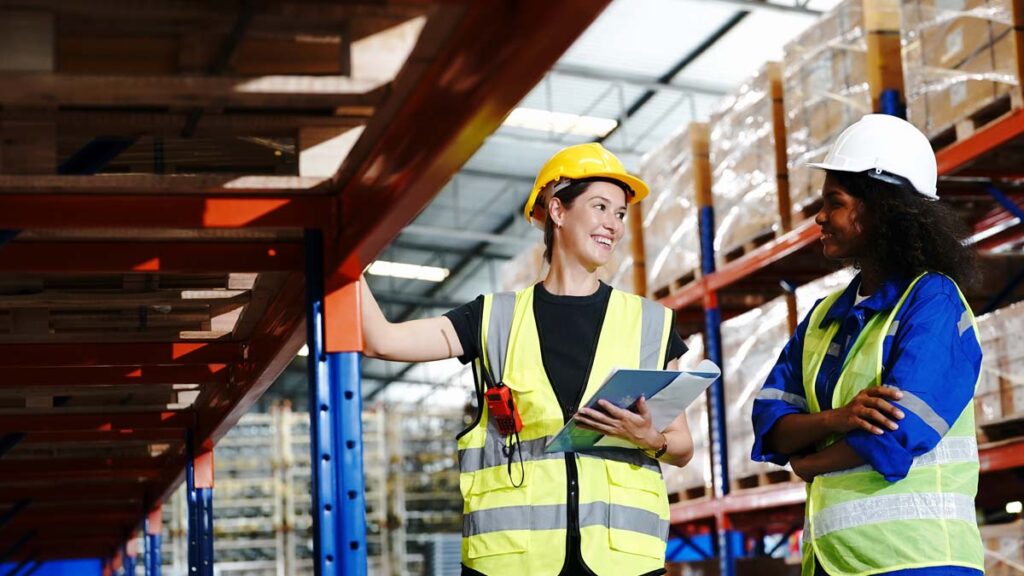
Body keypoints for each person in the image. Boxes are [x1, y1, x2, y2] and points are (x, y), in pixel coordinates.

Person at [360, 142, 695, 576]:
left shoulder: (651, 324)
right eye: (600, 207)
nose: (612, 225)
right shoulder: (492, 318)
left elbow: (683, 446)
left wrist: (653, 440)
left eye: (619, 214)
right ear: (557, 211)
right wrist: (347, 257)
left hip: (622, 562)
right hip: (512, 562)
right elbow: (381, 340)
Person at [750, 114, 984, 576]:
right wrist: (839, 418)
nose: (819, 217)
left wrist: (809, 463)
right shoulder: (821, 317)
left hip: (920, 561)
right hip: (833, 563)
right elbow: (770, 424)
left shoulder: (933, 301)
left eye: (833, 202)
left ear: (881, 209)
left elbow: (900, 431)